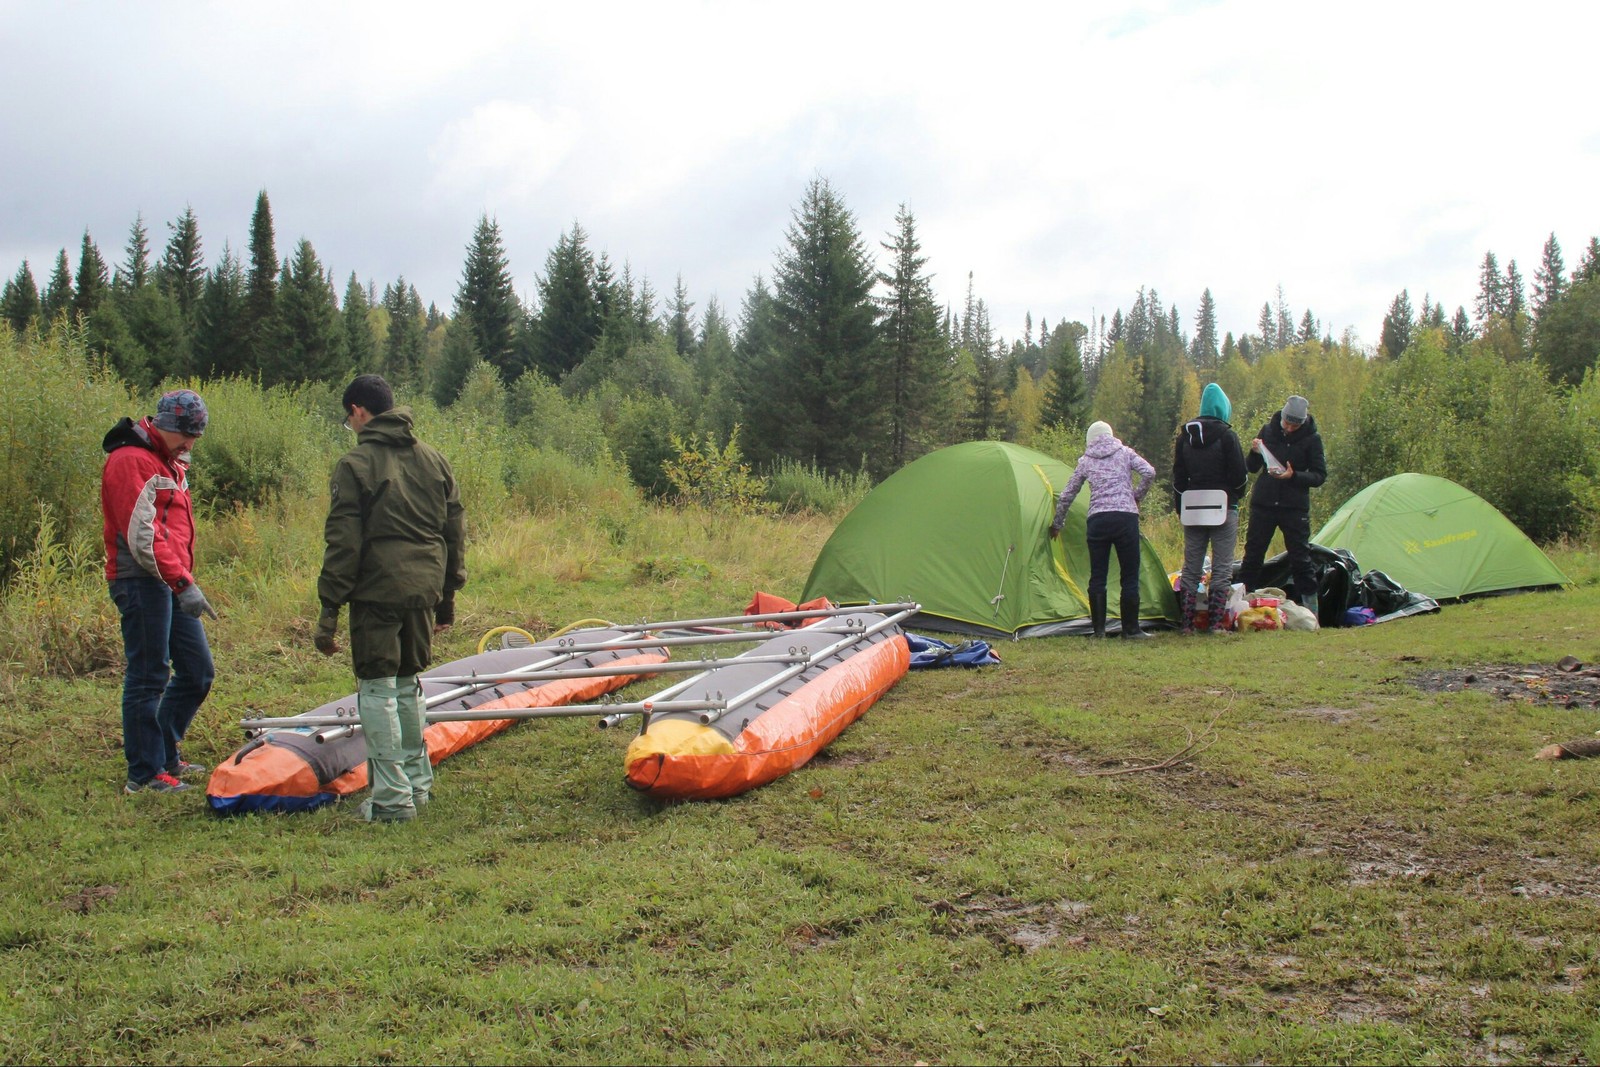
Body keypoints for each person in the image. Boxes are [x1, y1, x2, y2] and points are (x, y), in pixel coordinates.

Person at [314, 375, 466, 823]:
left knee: (377, 689)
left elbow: (344, 544)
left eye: (349, 418)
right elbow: (453, 535)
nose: (350, 425)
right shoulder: (435, 461)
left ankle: (392, 800)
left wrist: (328, 611)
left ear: (359, 411)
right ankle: (417, 786)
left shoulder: (355, 464)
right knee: (407, 684)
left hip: (378, 591)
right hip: (424, 588)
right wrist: (447, 598)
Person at [102, 388, 218, 794]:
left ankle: (166, 752)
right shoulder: (130, 460)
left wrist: (182, 579)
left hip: (170, 580)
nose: (190, 444)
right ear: (164, 425)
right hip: (140, 580)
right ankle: (145, 774)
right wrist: (183, 583)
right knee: (149, 675)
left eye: (196, 436)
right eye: (185, 435)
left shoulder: (169, 462)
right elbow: (142, 537)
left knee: (197, 671)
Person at [1049, 420, 1157, 638]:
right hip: (1125, 518)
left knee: (1098, 575)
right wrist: (1135, 497)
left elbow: (1068, 494)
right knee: (1129, 574)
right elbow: (1149, 472)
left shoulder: (1086, 461)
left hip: (1098, 520)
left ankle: (1098, 631)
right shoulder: (1125, 453)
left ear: (1090, 439)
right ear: (1111, 435)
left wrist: (1057, 524)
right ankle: (1131, 630)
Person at [1238, 394, 1327, 612]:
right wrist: (1254, 451)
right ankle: (1240, 607)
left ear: (1303, 422)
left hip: (1294, 508)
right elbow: (1251, 467)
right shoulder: (1267, 431)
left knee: (1300, 559)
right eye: (1287, 422)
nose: (1289, 428)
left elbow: (1319, 476)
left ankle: (1311, 613)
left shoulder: (1312, 439)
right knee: (1253, 556)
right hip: (1264, 504)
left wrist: (1294, 476)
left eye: (1294, 425)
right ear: (1282, 417)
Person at [1171, 383, 1248, 634]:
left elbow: (1178, 478)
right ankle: (1215, 624)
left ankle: (1187, 624)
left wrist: (1181, 507)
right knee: (1222, 566)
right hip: (1224, 505)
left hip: (1193, 507)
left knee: (1191, 567)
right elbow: (1239, 474)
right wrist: (1236, 494)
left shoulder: (1185, 436)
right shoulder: (1227, 435)